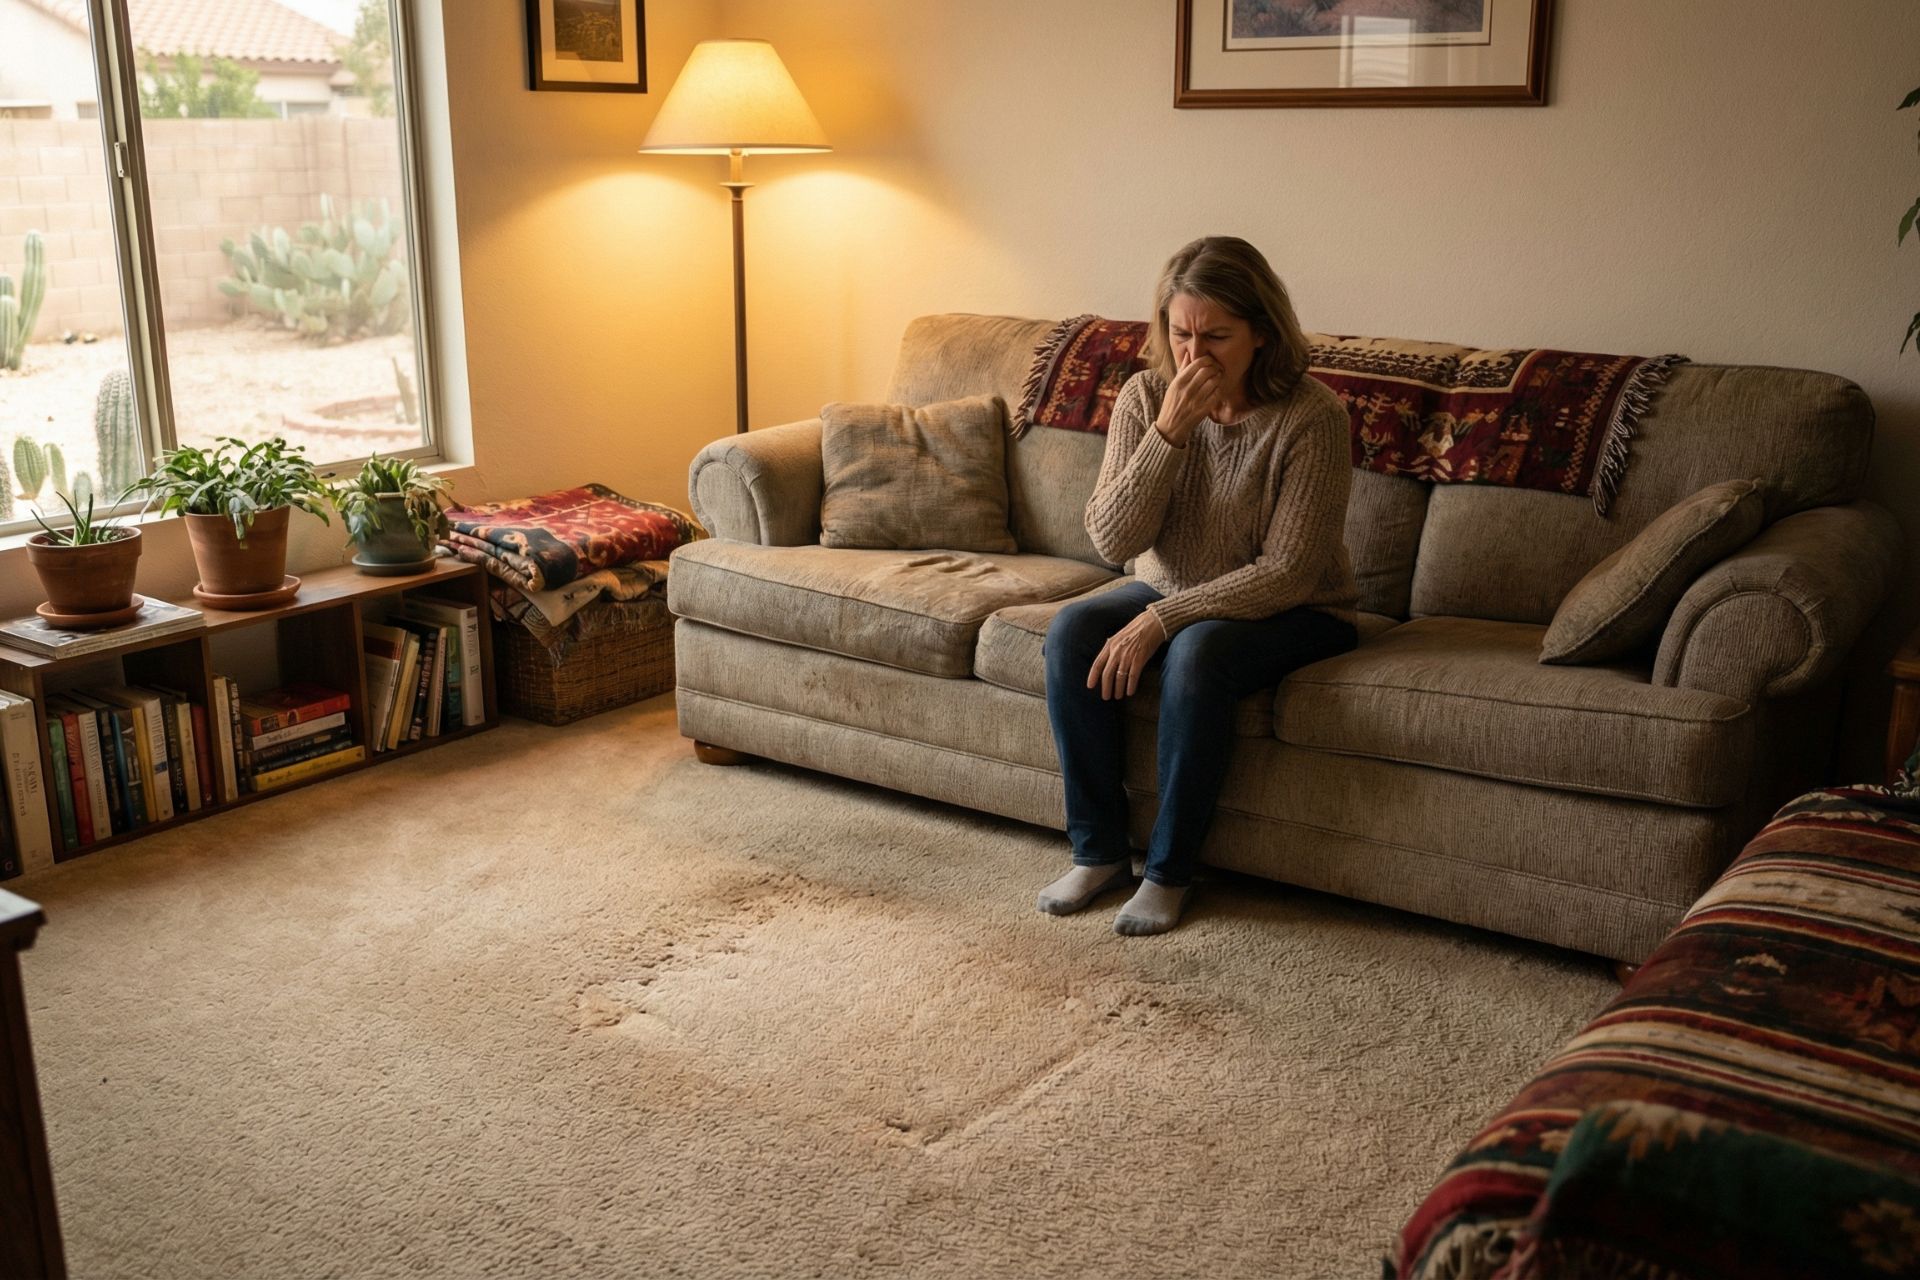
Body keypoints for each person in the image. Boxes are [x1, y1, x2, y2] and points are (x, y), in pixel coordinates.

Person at [1036, 236, 1360, 935]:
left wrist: (1164, 620)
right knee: (1070, 632)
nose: (1195, 354)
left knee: (1199, 652)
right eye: (1181, 334)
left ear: (1262, 334)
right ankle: (1096, 853)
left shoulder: (1313, 416)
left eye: (1216, 336)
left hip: (1296, 607)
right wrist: (1168, 433)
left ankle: (1168, 872)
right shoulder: (1145, 396)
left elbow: (1289, 570)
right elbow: (1112, 541)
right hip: (1166, 587)